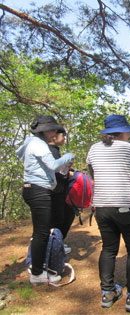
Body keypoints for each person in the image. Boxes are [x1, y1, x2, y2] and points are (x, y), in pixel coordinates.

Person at [86, 114, 130, 312]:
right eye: (128, 130)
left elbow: (93, 174)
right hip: (128, 206)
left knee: (108, 249)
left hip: (103, 207)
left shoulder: (94, 149)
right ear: (123, 131)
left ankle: (107, 293)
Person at [16, 115, 74, 284]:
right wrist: (68, 156)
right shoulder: (38, 144)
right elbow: (53, 165)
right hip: (38, 191)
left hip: (35, 190)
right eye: (53, 129)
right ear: (44, 130)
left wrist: (63, 168)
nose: (55, 132)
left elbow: (48, 169)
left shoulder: (31, 143)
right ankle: (37, 273)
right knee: (41, 233)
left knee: (41, 232)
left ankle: (39, 267)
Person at [48, 127, 75, 254]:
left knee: (64, 215)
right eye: (62, 136)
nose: (64, 138)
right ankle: (55, 246)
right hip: (54, 191)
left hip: (57, 190)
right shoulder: (51, 151)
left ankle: (57, 243)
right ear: (54, 136)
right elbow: (54, 172)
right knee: (58, 219)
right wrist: (67, 173)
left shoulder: (55, 151)